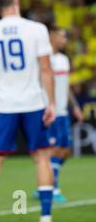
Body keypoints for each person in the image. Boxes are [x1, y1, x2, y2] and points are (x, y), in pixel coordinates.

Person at [0, 0, 56, 222]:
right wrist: (51, 102)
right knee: (42, 157)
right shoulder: (37, 29)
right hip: (33, 101)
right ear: (16, 1)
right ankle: (45, 217)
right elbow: (45, 69)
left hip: (3, 104)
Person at [35, 27, 83, 202]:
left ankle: (44, 184)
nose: (65, 40)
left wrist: (75, 106)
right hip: (51, 111)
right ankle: (52, 188)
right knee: (53, 150)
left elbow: (66, 86)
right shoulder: (44, 59)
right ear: (53, 37)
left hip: (63, 111)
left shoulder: (63, 60)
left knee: (66, 150)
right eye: (62, 36)